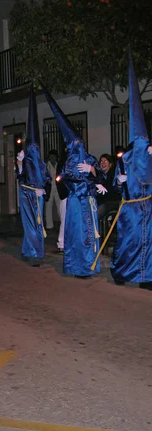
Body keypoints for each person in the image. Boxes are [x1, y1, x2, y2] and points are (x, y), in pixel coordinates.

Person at [42, 85, 105, 277]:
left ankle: (89, 264)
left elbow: (101, 174)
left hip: (89, 202)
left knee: (89, 234)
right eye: (73, 144)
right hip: (76, 202)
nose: (77, 146)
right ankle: (77, 265)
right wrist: (86, 184)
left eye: (79, 143)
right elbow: (66, 180)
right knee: (76, 234)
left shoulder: (90, 159)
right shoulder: (68, 163)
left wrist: (93, 172)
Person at [110, 52, 152, 287]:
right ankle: (123, 273)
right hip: (131, 209)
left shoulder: (149, 156)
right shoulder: (124, 159)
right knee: (130, 242)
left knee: (150, 243)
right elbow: (117, 185)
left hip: (149, 207)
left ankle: (147, 277)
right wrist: (122, 180)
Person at [16, 86, 50, 264]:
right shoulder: (26, 161)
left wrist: (43, 190)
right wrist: (20, 164)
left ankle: (36, 250)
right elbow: (20, 178)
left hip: (38, 197)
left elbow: (48, 179)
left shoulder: (42, 164)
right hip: (26, 196)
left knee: (38, 224)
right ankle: (32, 252)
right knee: (29, 225)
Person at [96, 154, 121, 219]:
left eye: (105, 161)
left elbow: (111, 190)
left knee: (99, 211)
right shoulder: (100, 175)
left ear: (110, 164)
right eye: (101, 161)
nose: (103, 163)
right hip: (103, 201)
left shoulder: (113, 174)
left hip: (113, 201)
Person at [45, 149, 61, 230]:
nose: (52, 158)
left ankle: (63, 222)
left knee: (59, 205)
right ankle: (49, 224)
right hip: (49, 187)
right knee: (48, 205)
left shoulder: (58, 165)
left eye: (53, 156)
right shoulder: (46, 166)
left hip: (57, 187)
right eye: (51, 157)